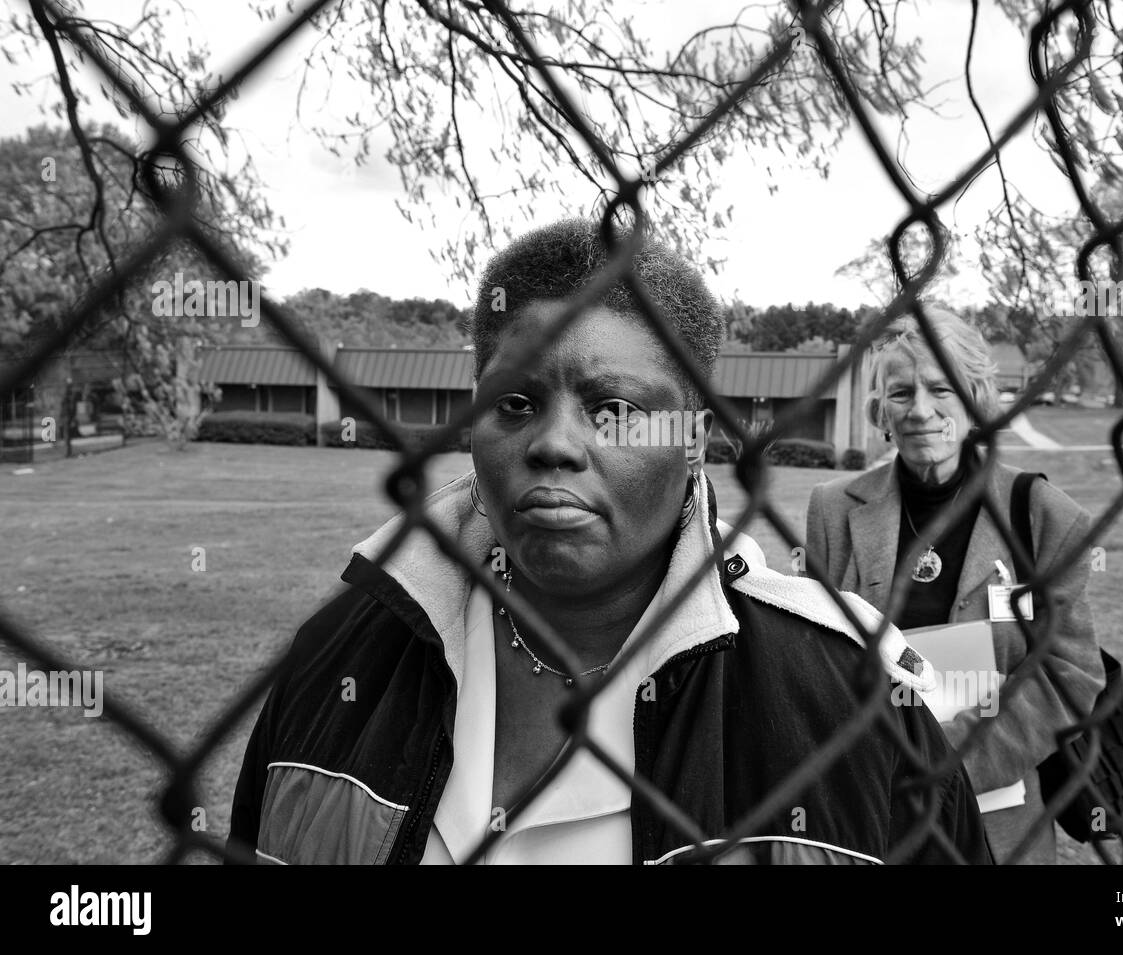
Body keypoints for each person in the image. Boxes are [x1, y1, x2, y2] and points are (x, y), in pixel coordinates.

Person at [228, 221, 991, 865]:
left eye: (614, 408)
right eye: (516, 402)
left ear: (694, 440)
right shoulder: (334, 658)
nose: (554, 444)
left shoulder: (853, 699)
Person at [804, 308, 1105, 864]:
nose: (921, 410)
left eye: (941, 388)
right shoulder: (832, 510)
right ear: (881, 412)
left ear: (974, 399)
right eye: (900, 394)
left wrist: (946, 758)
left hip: (998, 822)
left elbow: (1071, 672)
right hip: (871, 810)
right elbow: (811, 655)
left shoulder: (1041, 515)